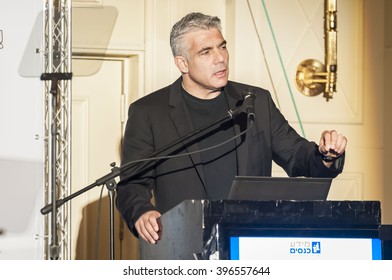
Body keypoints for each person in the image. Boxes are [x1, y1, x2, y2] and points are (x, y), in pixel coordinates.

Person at [115, 12, 347, 245]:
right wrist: (141, 212)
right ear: (182, 63)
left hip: (250, 243)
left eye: (222, 47)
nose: (221, 58)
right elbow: (132, 184)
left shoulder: (256, 101)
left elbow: (297, 155)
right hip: (184, 245)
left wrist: (326, 155)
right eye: (206, 52)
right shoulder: (149, 112)